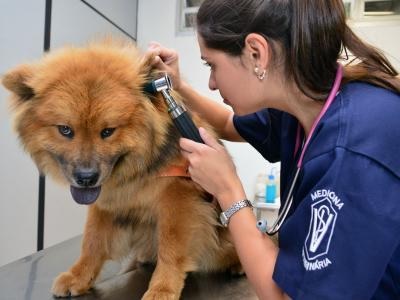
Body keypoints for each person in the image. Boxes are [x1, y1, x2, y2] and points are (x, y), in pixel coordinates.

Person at [146, 0, 400, 299]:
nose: (212, 83)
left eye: (211, 65)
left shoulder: (354, 153)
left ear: (257, 53)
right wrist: (178, 86)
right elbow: (230, 124)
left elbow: (285, 296)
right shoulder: (305, 103)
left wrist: (228, 190)